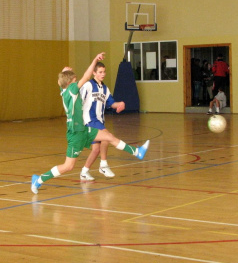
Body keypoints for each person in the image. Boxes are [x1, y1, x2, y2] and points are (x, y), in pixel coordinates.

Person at [31, 53, 150, 194]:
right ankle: (38, 180)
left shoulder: (63, 91)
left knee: (109, 137)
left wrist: (64, 73)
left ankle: (137, 152)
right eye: (75, 80)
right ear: (71, 83)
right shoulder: (72, 90)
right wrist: (94, 60)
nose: (77, 82)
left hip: (84, 130)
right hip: (75, 135)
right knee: (68, 166)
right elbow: (86, 77)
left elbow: (60, 82)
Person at [79, 61, 126, 180]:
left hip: (99, 120)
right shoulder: (88, 85)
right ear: (94, 72)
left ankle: (84, 172)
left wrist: (119, 104)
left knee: (96, 150)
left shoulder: (105, 89)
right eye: (100, 72)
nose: (103, 74)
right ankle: (103, 165)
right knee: (106, 136)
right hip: (89, 120)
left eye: (104, 72)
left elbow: (111, 103)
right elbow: (78, 101)